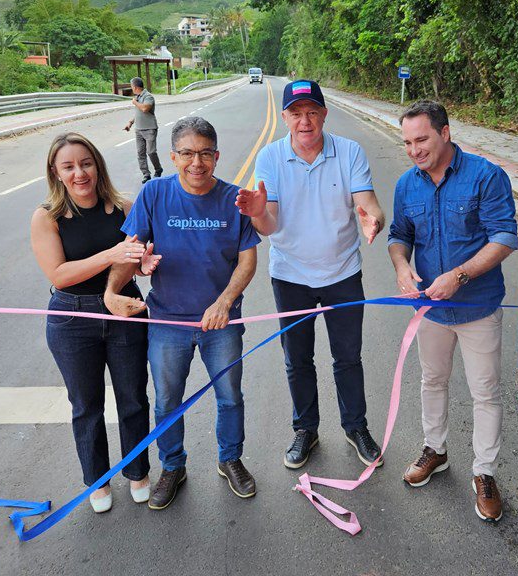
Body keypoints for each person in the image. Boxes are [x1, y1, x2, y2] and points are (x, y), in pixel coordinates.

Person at [105, 116, 260, 510]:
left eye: (205, 154)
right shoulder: (154, 194)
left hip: (221, 324)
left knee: (229, 397)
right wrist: (131, 274)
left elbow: (247, 259)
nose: (197, 163)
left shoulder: (234, 199)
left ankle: (230, 460)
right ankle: (172, 466)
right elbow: (132, 250)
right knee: (167, 401)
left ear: (217, 155)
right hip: (167, 323)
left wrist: (224, 301)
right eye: (187, 154)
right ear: (172, 157)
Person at [236, 79, 386, 470]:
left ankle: (356, 427)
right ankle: (306, 429)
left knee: (347, 357)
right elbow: (269, 225)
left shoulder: (349, 151)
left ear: (324, 114)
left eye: (312, 112)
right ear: (285, 117)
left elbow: (366, 202)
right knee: (297, 360)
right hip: (290, 276)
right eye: (297, 113)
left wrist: (373, 218)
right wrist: (256, 212)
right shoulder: (270, 157)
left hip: (342, 274)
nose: (305, 121)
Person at [387, 101, 518, 523]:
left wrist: (459, 275)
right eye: (407, 142)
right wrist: (402, 266)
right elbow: (398, 236)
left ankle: (485, 473)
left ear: (445, 132)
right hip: (431, 312)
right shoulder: (408, 184)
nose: (414, 150)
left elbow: (504, 238)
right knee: (432, 380)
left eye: (421, 139)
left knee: (485, 393)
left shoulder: (485, 175)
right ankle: (435, 450)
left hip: (478, 307)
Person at [30, 132, 156, 514]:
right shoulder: (46, 217)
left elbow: (132, 258)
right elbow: (60, 274)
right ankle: (97, 480)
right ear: (56, 172)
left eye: (85, 163)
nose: (79, 173)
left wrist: (141, 263)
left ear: (97, 164)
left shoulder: (124, 207)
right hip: (72, 318)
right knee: (86, 404)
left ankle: (137, 471)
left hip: (125, 312)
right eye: (68, 166)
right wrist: (111, 254)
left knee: (133, 398)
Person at [123, 76, 163, 183]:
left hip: (150, 129)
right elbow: (138, 113)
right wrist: (130, 123)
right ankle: (146, 174)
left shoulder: (148, 96)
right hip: (139, 129)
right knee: (140, 153)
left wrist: (135, 102)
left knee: (151, 152)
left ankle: (158, 169)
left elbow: (145, 108)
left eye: (132, 87)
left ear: (135, 87)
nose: (131, 89)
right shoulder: (138, 97)